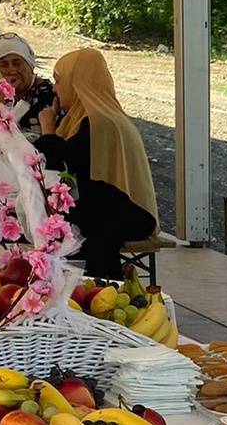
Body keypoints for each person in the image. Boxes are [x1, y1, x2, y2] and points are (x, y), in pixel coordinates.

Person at [33, 48, 158, 279]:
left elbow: (64, 165)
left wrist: (48, 130)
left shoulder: (99, 122)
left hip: (130, 214)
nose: (56, 89)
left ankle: (99, 296)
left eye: (60, 81)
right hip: (113, 207)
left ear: (77, 83)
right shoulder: (85, 118)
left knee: (77, 235)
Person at [0, 32, 55, 129]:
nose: (12, 70)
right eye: (4, 65)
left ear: (29, 65)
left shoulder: (49, 95)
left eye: (17, 63)